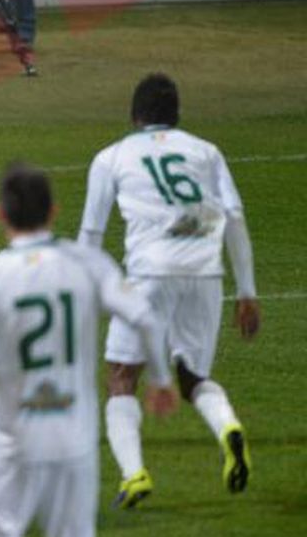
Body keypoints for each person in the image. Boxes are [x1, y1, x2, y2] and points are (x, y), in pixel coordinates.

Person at [0, 163, 178, 537]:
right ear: (53, 211)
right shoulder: (88, 264)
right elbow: (146, 319)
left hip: (9, 443)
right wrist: (161, 379)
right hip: (73, 442)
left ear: (1, 214)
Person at [78, 73, 260, 507]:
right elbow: (233, 217)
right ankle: (228, 427)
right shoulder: (206, 151)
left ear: (133, 114)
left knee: (121, 377)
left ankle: (134, 473)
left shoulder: (113, 157)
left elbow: (90, 233)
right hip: (205, 274)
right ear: (177, 115)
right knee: (193, 376)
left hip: (149, 275)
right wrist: (247, 291)